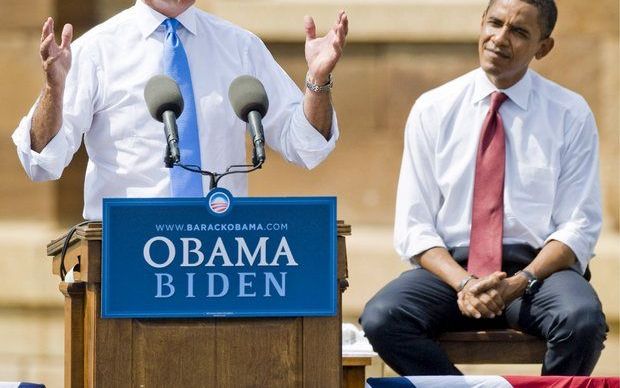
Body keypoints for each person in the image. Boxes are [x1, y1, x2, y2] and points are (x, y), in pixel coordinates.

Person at [360, 0, 607, 376]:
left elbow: (579, 225)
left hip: (537, 275)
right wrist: (465, 283)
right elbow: (414, 225)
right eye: (494, 23)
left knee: (581, 320)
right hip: (451, 273)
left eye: (520, 32)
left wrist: (519, 282)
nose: (500, 39)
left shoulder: (569, 113)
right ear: (481, 24)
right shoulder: (433, 108)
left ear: (544, 47)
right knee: (382, 317)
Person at [12, 0, 348, 220]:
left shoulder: (240, 46)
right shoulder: (97, 50)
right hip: (128, 257)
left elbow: (307, 146)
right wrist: (53, 91)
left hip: (222, 253)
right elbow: (42, 162)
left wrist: (317, 80)